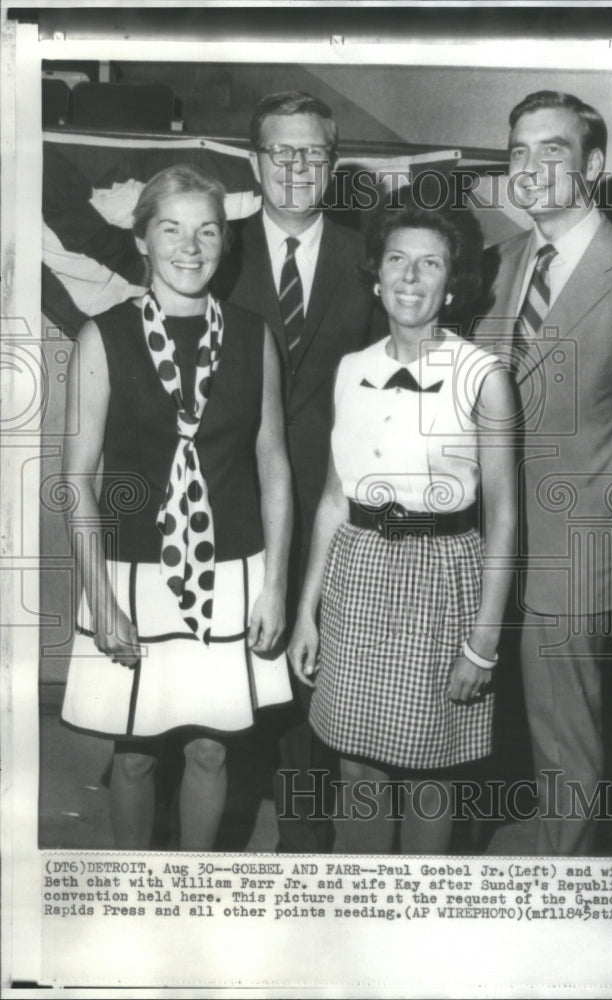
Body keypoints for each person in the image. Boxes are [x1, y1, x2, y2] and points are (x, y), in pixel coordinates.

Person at [60, 165, 293, 851]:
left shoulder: (253, 337)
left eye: (208, 231)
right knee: (133, 754)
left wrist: (275, 584)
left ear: (225, 243)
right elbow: (75, 477)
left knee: (211, 752)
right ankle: (139, 900)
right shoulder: (101, 337)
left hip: (230, 573)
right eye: (172, 229)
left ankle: (191, 898)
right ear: (142, 240)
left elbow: (273, 463)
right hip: (132, 573)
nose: (190, 247)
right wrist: (99, 597)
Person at [474, 91, 612, 855]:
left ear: (591, 164)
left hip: (577, 550)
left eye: (551, 150)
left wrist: (601, 519)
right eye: (518, 152)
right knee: (491, 721)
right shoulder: (497, 266)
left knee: (568, 737)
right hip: (486, 541)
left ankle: (567, 901)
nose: (529, 168)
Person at [289, 195, 517, 854]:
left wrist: (483, 642)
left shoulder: (483, 376)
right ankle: (366, 921)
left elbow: (503, 516)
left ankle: (421, 925)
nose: (410, 278)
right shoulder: (351, 370)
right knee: (354, 758)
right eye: (397, 260)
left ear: (453, 283)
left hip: (442, 576)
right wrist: (307, 613)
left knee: (428, 771)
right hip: (357, 572)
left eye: (430, 264)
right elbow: (334, 500)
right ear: (376, 273)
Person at [213, 91, 380, 852]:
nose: (296, 166)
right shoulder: (215, 247)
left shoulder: (368, 257)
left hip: (329, 507)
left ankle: (305, 849)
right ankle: (203, 847)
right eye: (280, 151)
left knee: (306, 687)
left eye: (312, 152)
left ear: (333, 163)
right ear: (255, 162)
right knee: (220, 692)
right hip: (221, 502)